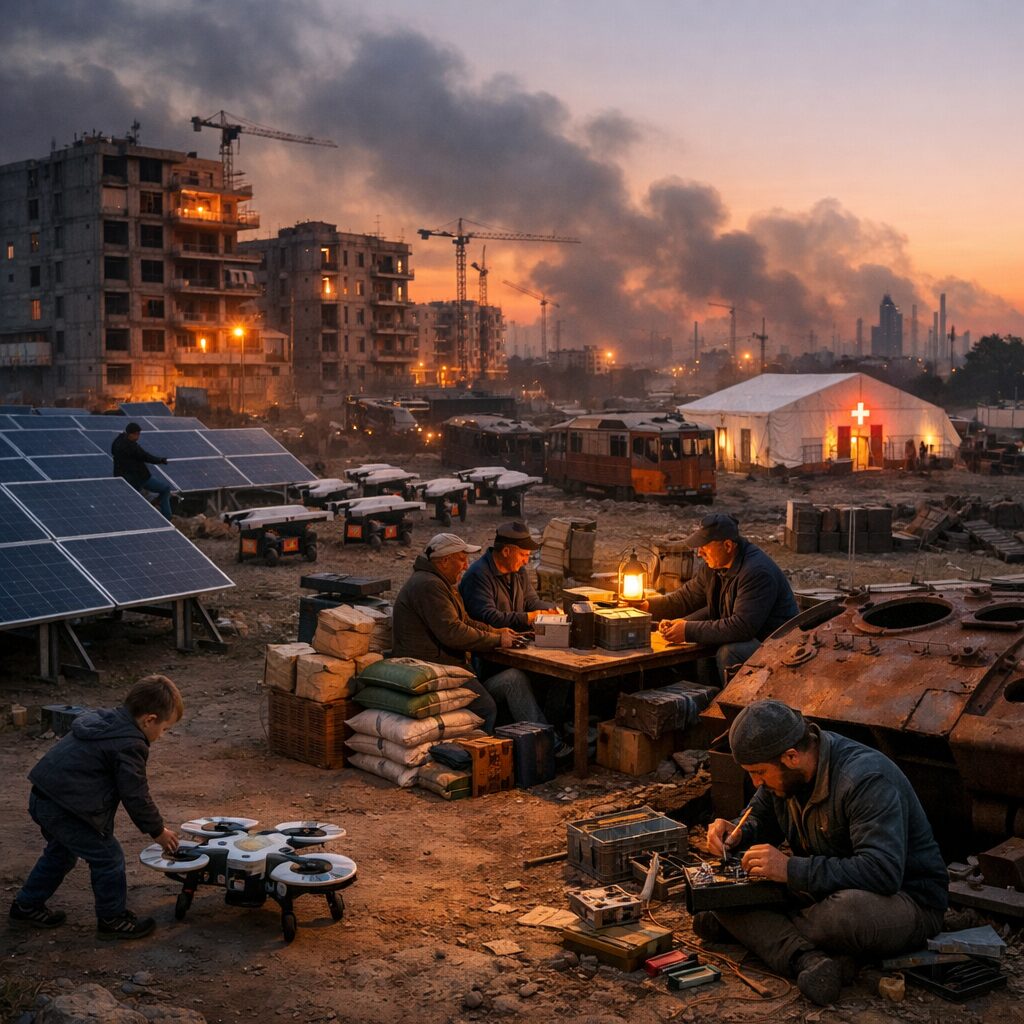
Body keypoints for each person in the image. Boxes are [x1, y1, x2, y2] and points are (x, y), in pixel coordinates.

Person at [696, 700, 948, 1006]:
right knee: (720, 893)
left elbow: (882, 873)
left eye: (759, 772)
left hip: (905, 901)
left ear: (791, 755)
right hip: (821, 889)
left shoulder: (864, 779)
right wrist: (735, 832)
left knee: (844, 914)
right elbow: (760, 818)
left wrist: (790, 870)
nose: (755, 782)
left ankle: (759, 933)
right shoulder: (787, 775)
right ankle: (809, 959)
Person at [10, 675, 184, 941]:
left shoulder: (107, 721)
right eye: (165, 729)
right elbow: (135, 795)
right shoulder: (130, 744)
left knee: (61, 853)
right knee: (108, 857)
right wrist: (157, 831)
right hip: (64, 808)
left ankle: (26, 905)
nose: (162, 735)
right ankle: (112, 919)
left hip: (44, 797)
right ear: (149, 719)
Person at [391, 533, 539, 734]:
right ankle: (474, 757)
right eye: (461, 559)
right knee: (485, 708)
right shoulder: (429, 585)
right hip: (434, 668)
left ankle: (542, 741)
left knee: (514, 680)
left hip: (450, 666)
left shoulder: (440, 583)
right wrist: (498, 639)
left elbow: (465, 620)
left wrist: (496, 631)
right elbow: (454, 632)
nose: (466, 565)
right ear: (444, 561)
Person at [643, 513, 798, 685]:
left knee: (729, 652)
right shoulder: (714, 566)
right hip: (746, 632)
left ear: (728, 545)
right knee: (691, 631)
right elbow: (686, 599)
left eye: (705, 546)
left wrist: (688, 630)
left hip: (776, 645)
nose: (700, 553)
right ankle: (707, 697)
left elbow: (741, 627)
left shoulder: (756, 572)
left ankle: (734, 704)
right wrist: (647, 606)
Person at [459, 521, 571, 744]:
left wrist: (550, 609)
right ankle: (547, 744)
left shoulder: (518, 572)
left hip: (517, 653)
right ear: (507, 551)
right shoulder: (478, 576)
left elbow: (531, 601)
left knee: (561, 676)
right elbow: (488, 617)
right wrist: (530, 618)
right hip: (487, 665)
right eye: (523, 554)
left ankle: (559, 729)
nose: (526, 560)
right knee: (514, 679)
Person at [112, 422, 173, 519]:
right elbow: (145, 456)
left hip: (123, 479)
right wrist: (160, 460)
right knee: (165, 489)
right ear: (131, 434)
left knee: (135, 502)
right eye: (137, 434)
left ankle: (154, 505)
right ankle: (167, 517)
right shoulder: (131, 446)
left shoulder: (118, 442)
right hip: (139, 478)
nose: (138, 437)